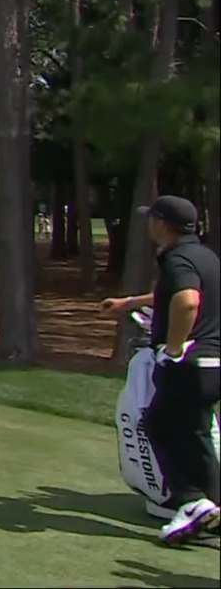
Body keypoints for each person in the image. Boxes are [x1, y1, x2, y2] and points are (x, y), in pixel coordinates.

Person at [100, 195, 220, 545]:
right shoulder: (205, 256)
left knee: (159, 424)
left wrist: (174, 347)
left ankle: (191, 502)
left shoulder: (176, 257)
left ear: (163, 223)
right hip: (214, 364)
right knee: (196, 434)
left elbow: (187, 300)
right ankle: (212, 509)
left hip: (189, 363)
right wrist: (129, 303)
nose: (148, 224)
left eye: (151, 218)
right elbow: (175, 293)